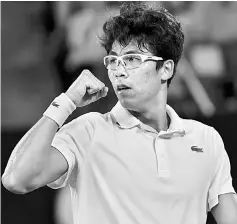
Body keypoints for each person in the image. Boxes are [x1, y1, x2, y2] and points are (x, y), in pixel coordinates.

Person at [2, 2, 237, 224]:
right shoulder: (88, 131)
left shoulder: (206, 139)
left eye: (132, 59)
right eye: (113, 60)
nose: (119, 71)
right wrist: (64, 103)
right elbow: (16, 179)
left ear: (166, 69)